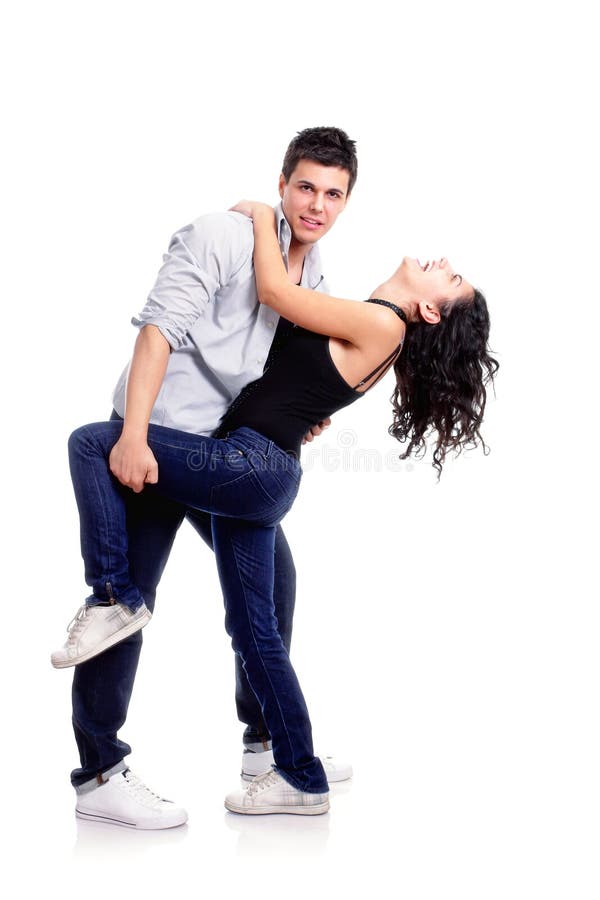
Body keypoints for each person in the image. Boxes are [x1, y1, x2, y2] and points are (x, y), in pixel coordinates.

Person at [54, 200, 498, 824]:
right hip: (243, 462)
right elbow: (290, 366)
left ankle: (110, 598)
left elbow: (273, 290)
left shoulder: (386, 325)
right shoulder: (370, 319)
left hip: (248, 466)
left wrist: (263, 216)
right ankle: (290, 762)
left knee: (93, 442)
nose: (443, 264)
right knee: (258, 620)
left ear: (429, 310)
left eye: (450, 278)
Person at [54, 127, 359, 829]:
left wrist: (302, 418)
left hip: (221, 455)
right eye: (306, 186)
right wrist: (132, 437)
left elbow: (285, 372)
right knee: (123, 607)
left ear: (346, 202)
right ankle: (99, 772)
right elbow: (160, 330)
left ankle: (266, 748)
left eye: (332, 194)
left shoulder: (313, 277)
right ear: (283, 184)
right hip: (158, 441)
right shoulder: (223, 235)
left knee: (273, 586)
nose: (316, 204)